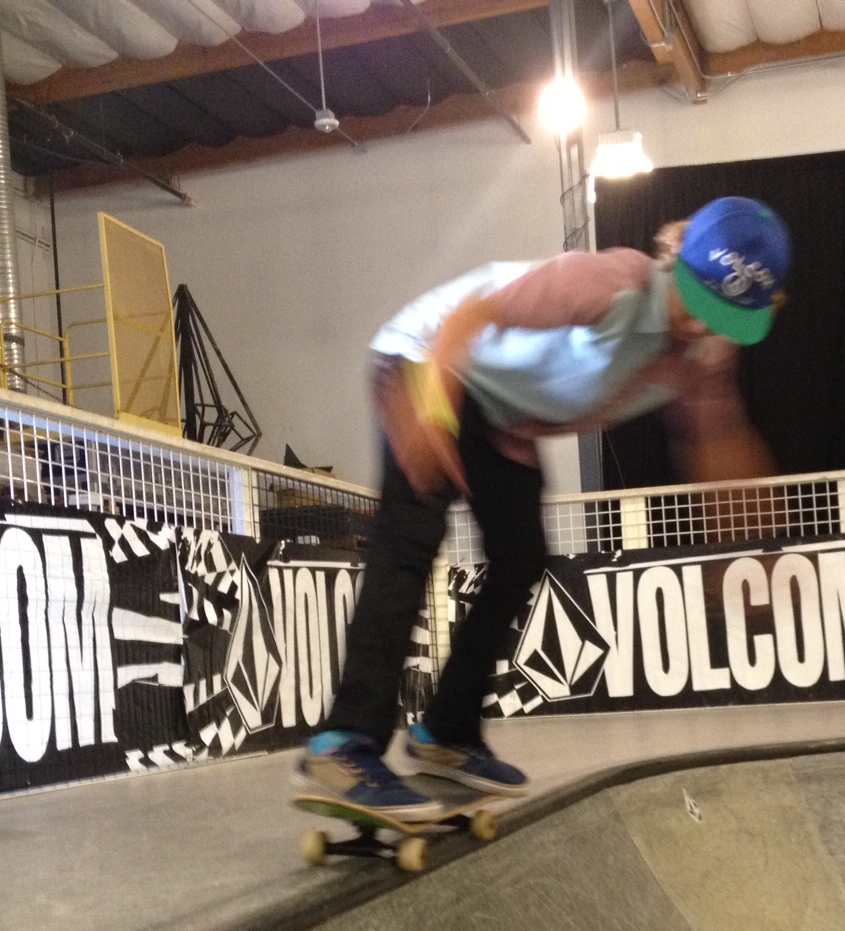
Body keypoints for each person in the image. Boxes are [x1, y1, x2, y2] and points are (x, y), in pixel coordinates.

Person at [301, 196, 792, 818]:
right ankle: (345, 742)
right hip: (428, 361)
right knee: (411, 536)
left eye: (722, 317)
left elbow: (717, 443)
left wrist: (747, 549)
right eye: (696, 303)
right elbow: (469, 316)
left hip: (502, 416)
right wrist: (432, 418)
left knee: (522, 557)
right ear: (678, 262)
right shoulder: (607, 283)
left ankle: (446, 731)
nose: (699, 327)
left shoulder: (703, 355)